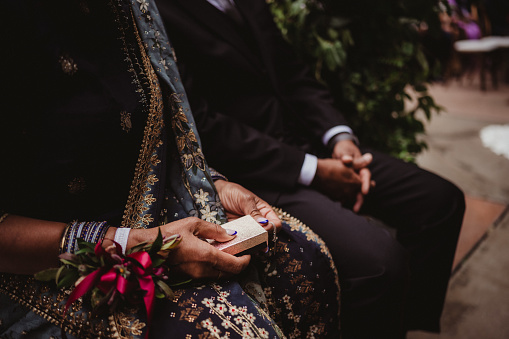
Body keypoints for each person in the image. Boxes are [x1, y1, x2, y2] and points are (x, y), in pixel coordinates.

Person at [0, 1, 340, 338]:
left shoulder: (133, 8)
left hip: (163, 211)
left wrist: (213, 185)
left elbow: (156, 132)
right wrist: (137, 246)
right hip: (43, 256)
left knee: (304, 260)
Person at [154, 0, 467, 337]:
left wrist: (341, 139)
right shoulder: (157, 12)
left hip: (314, 143)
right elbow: (201, 124)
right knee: (380, 265)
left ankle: (407, 324)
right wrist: (314, 170)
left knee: (440, 201)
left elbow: (293, 73)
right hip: (256, 173)